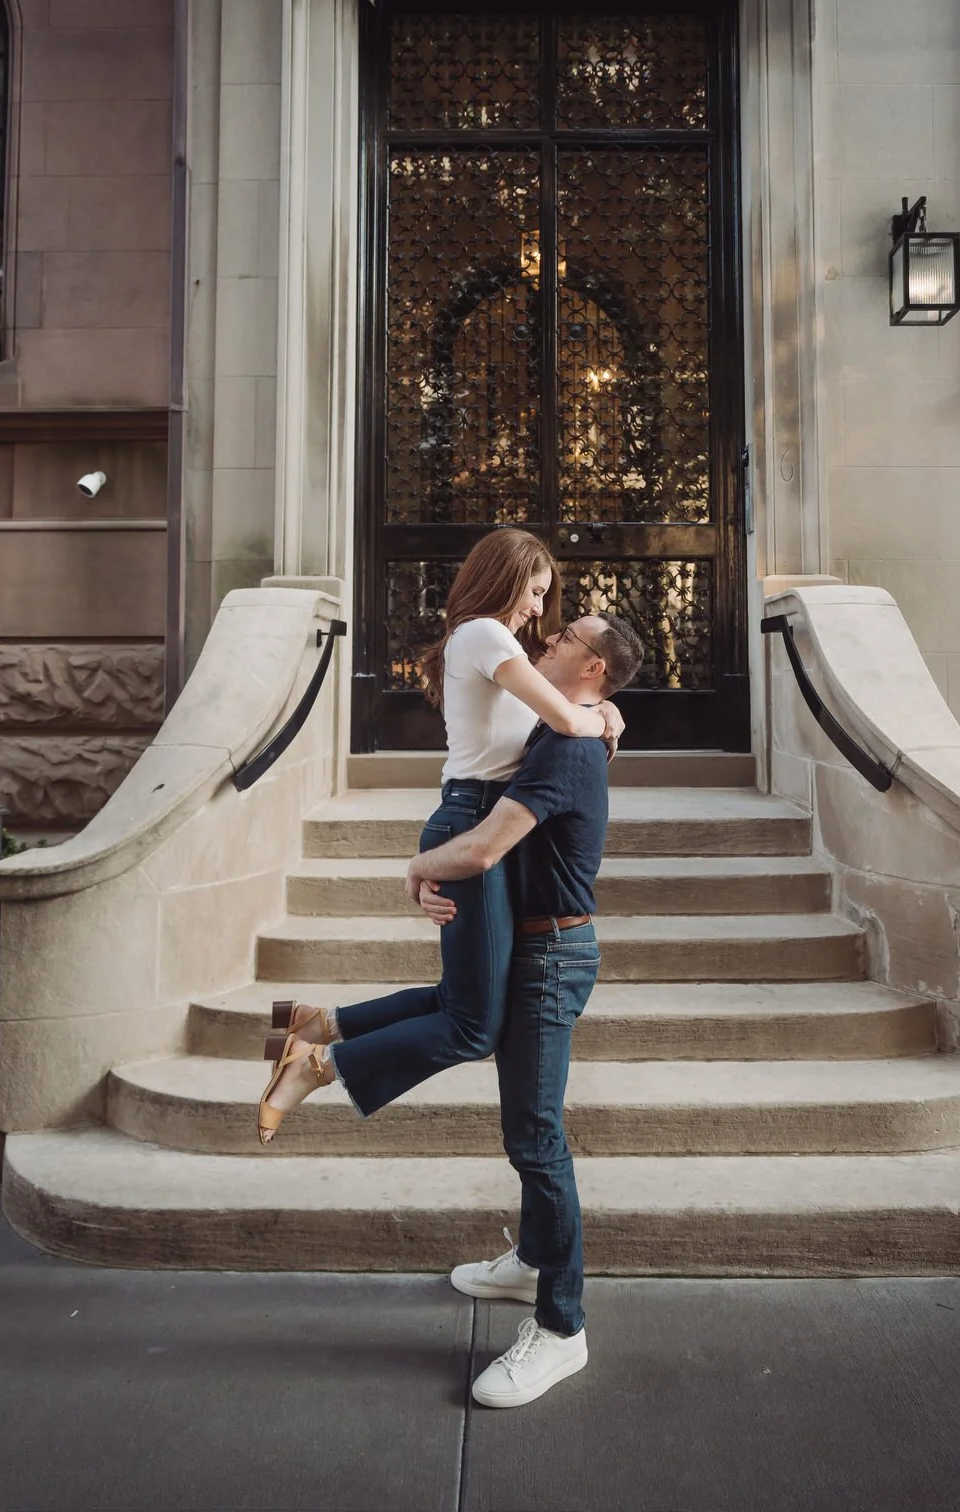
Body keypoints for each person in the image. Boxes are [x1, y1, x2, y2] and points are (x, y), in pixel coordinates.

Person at [256, 527, 623, 1138]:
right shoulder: (485, 634)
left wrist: (607, 708)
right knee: (474, 1025)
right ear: (506, 579)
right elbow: (564, 714)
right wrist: (606, 717)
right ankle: (313, 1066)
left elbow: (571, 700)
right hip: (474, 814)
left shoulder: (495, 643)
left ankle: (316, 1023)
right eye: (535, 592)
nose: (539, 609)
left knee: (468, 998)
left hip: (478, 812)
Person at [407, 610, 644, 1409]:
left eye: (568, 636)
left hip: (551, 956)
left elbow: (481, 851)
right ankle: (535, 1262)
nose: (546, 635)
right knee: (518, 1117)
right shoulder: (567, 729)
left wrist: (415, 866)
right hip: (536, 946)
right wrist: (606, 716)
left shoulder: (569, 746)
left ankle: (562, 1327)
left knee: (536, 1137)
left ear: (594, 670)